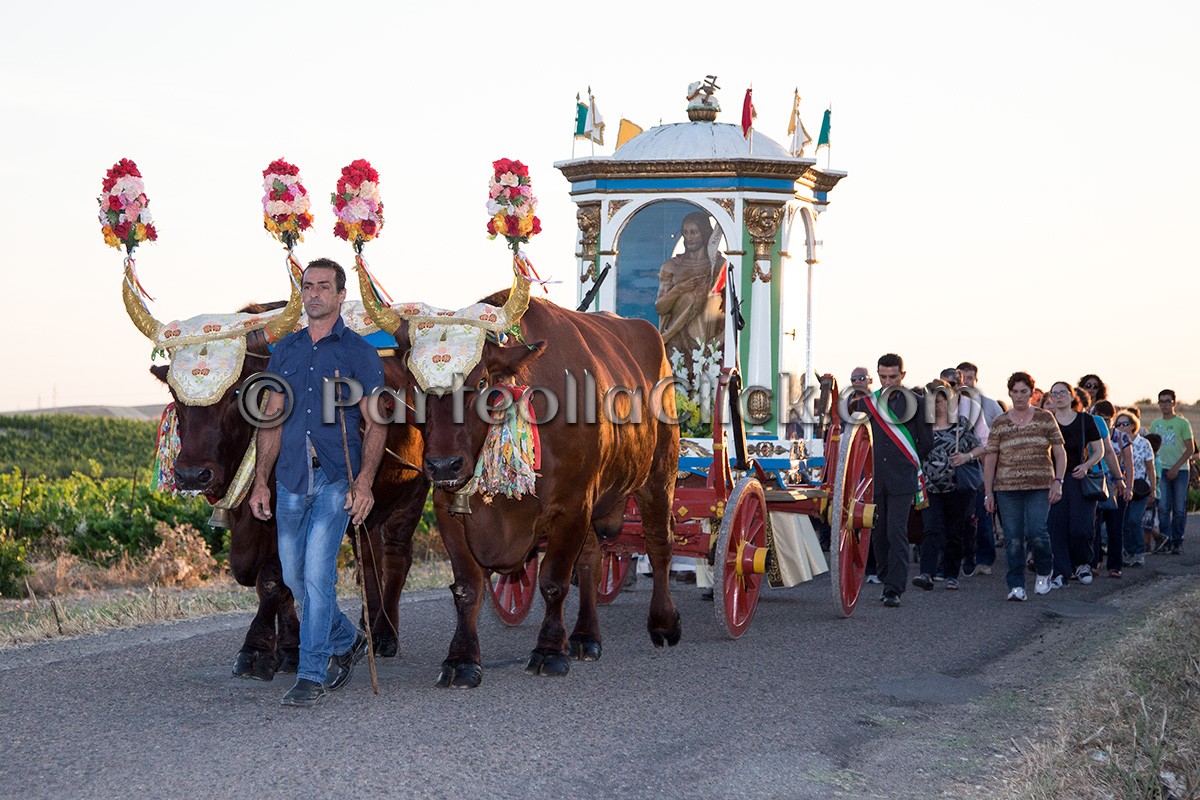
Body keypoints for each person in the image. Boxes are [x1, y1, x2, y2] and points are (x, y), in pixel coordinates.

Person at [249, 258, 386, 708]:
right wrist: (260, 483)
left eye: (324, 287)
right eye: (308, 287)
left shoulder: (358, 353)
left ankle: (312, 673)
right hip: (289, 479)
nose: (314, 295)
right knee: (294, 575)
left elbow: (377, 423)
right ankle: (348, 638)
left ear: (341, 294)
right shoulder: (285, 351)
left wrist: (364, 482)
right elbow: (269, 418)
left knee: (316, 576)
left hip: (333, 477)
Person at [854, 353, 931, 608]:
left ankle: (894, 589)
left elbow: (926, 442)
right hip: (874, 478)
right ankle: (887, 576)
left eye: (893, 377)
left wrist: (907, 462)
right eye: (883, 377)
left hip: (902, 478)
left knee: (897, 531)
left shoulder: (920, 403)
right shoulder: (866, 405)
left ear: (903, 375)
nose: (887, 381)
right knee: (879, 532)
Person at [982, 372, 1066, 602]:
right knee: (1013, 538)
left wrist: (1058, 482)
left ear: (1032, 393)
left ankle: (1044, 570)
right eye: (1015, 392)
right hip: (1007, 488)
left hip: (1040, 485)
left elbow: (1059, 451)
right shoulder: (1000, 422)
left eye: (1024, 392)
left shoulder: (1045, 418)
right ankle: (1016, 584)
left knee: (1037, 532)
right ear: (1009, 393)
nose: (1019, 396)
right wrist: (988, 492)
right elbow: (990, 457)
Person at [912, 379, 985, 592]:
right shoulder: (922, 427)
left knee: (955, 531)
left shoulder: (960, 425)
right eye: (932, 399)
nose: (936, 405)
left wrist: (966, 456)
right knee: (931, 529)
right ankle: (927, 572)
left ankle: (952, 574)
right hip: (930, 488)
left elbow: (981, 447)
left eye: (941, 400)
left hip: (956, 487)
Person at [1046, 382, 1107, 587]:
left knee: (1081, 528)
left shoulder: (1085, 420)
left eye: (1063, 392)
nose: (1059, 396)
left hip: (1079, 479)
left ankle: (1083, 564)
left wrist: (1086, 465)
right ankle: (1061, 571)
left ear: (1072, 397)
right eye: (1054, 394)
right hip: (1053, 480)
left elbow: (1099, 451)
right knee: (1057, 526)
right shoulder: (1048, 421)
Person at [655, 211, 724, 378]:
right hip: (676, 342)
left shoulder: (719, 266)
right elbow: (660, 307)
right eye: (685, 233)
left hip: (707, 343)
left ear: (705, 233)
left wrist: (715, 344)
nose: (689, 237)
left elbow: (726, 311)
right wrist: (679, 288)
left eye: (694, 232)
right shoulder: (672, 267)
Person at [956, 362, 1003, 574]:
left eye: (969, 378)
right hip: (956, 465)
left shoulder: (990, 405)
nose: (965, 382)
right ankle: (960, 557)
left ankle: (985, 559)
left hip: (982, 464)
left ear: (976, 380)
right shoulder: (947, 403)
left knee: (984, 514)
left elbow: (998, 436)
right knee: (961, 516)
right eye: (961, 378)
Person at [1090, 400, 1133, 577]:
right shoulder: (1090, 434)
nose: (1105, 422)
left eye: (1108, 419)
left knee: (1115, 527)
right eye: (1101, 418)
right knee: (1094, 527)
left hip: (1116, 486)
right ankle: (1094, 561)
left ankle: (1115, 566)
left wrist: (1128, 486)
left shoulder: (1122, 437)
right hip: (1094, 485)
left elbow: (1129, 464)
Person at [1149, 389, 1195, 555]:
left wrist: (1176, 467)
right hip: (1161, 469)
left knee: (1179, 508)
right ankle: (1165, 540)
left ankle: (1177, 541)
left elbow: (1190, 449)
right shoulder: (1155, 424)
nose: (1165, 405)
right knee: (1162, 507)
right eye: (1161, 402)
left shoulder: (1182, 423)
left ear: (1174, 403)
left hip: (1180, 470)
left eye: (1168, 401)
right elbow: (1151, 449)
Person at [1115, 407, 1156, 567]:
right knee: (1124, 522)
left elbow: (1150, 467)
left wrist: (1153, 489)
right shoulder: (1116, 442)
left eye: (1124, 423)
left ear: (1133, 425)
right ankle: (1128, 552)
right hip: (1122, 486)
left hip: (1139, 488)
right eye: (1118, 424)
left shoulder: (1143, 443)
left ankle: (1139, 552)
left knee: (1134, 520)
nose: (1121, 427)